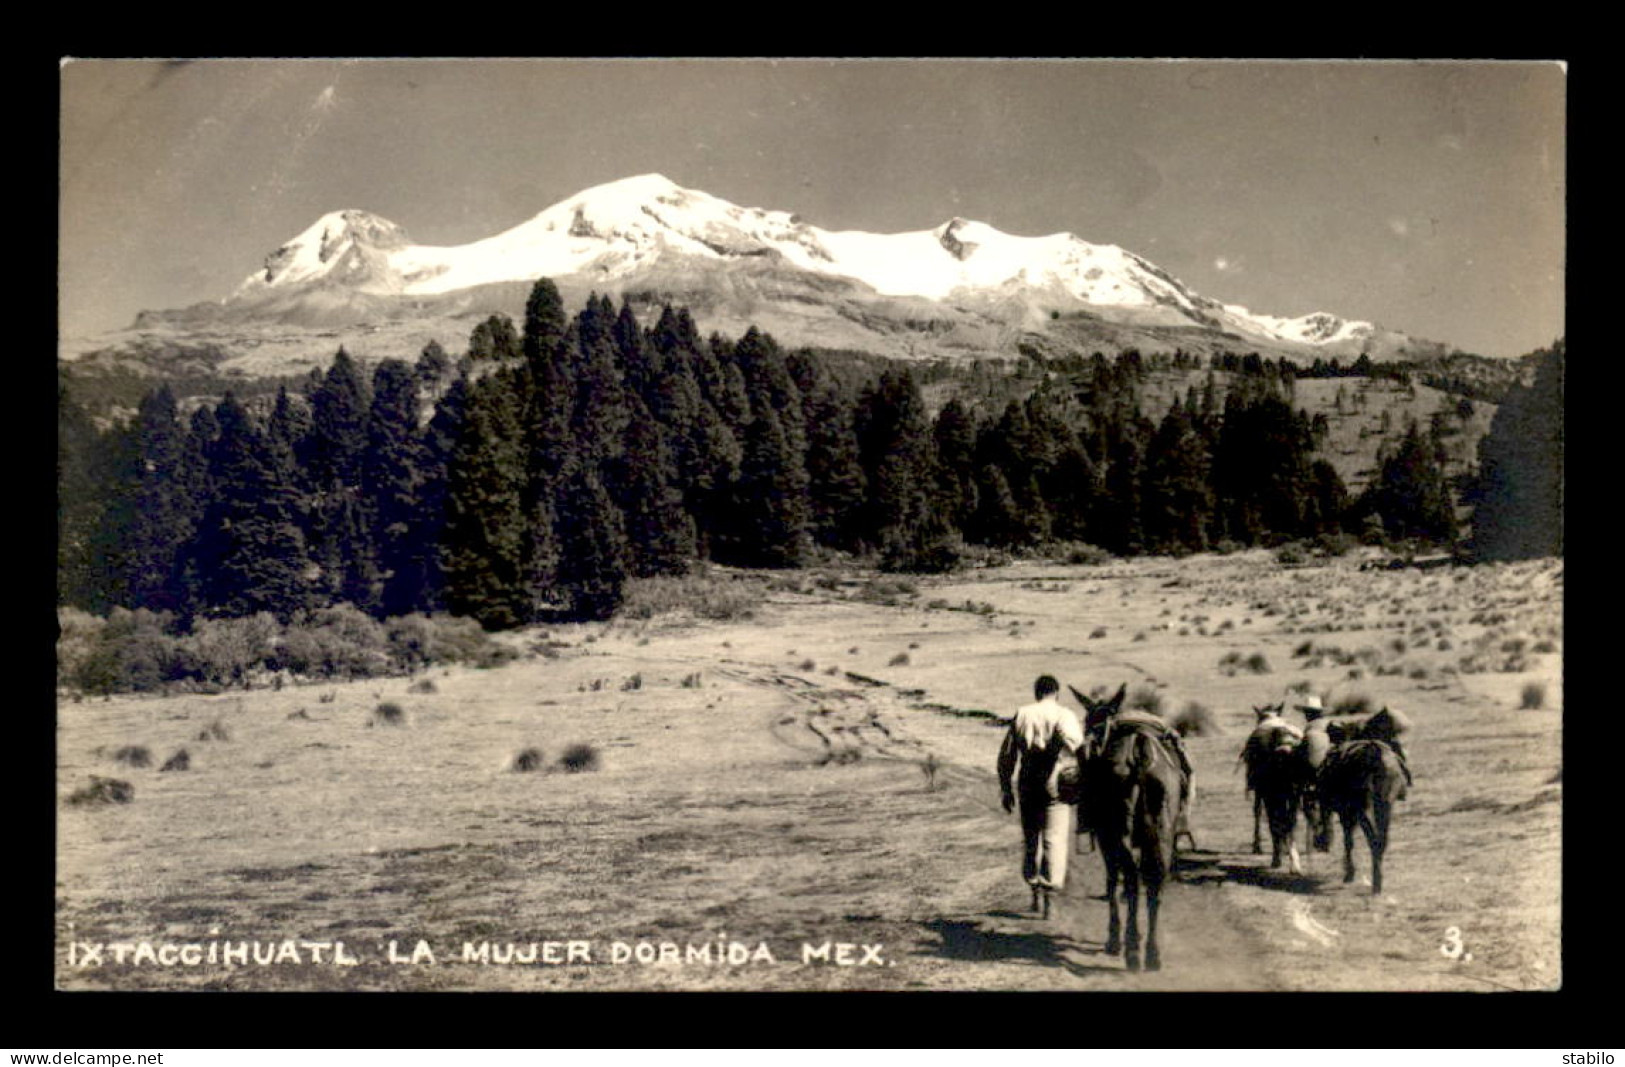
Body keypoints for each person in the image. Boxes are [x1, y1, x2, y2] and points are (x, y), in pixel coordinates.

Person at [997, 674, 1084, 919]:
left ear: (1037, 693)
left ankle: (1034, 890)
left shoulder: (1022, 713)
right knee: (1054, 838)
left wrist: (1006, 788)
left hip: (1026, 780)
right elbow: (1077, 745)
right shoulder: (1064, 714)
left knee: (1031, 836)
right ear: (1056, 693)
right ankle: (1049, 897)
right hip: (1054, 778)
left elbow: (1007, 756)